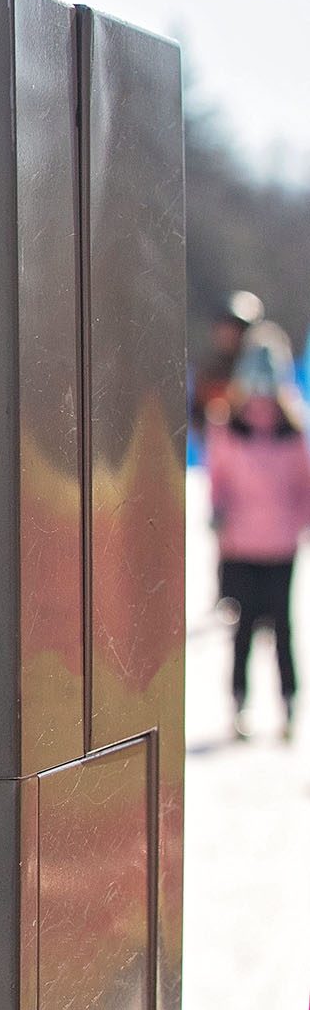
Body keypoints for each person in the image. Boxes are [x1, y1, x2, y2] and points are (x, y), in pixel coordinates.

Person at [205, 319, 310, 739]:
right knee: (243, 629)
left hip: (279, 546)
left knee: (281, 629)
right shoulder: (228, 428)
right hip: (241, 546)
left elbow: (305, 485)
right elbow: (218, 481)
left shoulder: (293, 432)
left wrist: (299, 521)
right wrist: (218, 512)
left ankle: (287, 703)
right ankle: (238, 704)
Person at [190, 288, 264, 434]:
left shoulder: (264, 373)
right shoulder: (206, 371)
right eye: (227, 327)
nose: (231, 334)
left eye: (238, 328)